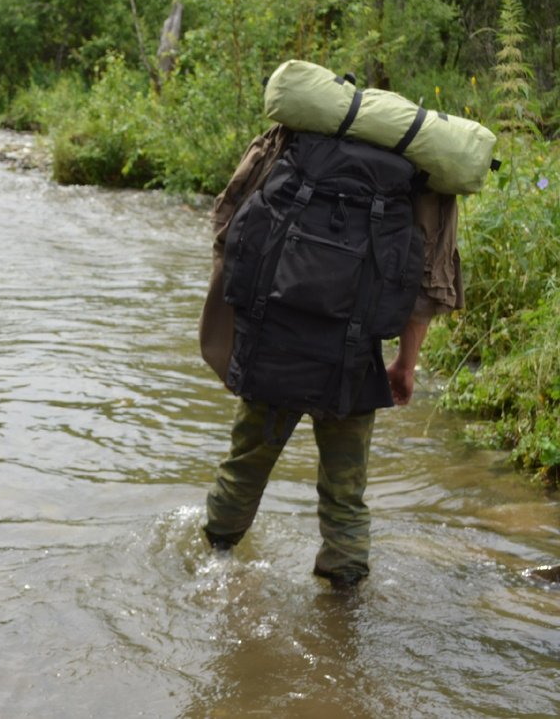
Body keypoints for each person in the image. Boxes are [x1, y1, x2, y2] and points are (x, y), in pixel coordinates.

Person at [197, 124, 465, 587]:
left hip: (272, 347)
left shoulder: (293, 144)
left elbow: (235, 241)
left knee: (244, 469)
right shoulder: (411, 176)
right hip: (354, 365)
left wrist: (230, 349)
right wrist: (405, 365)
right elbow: (423, 287)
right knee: (345, 494)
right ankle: (345, 603)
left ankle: (214, 564)